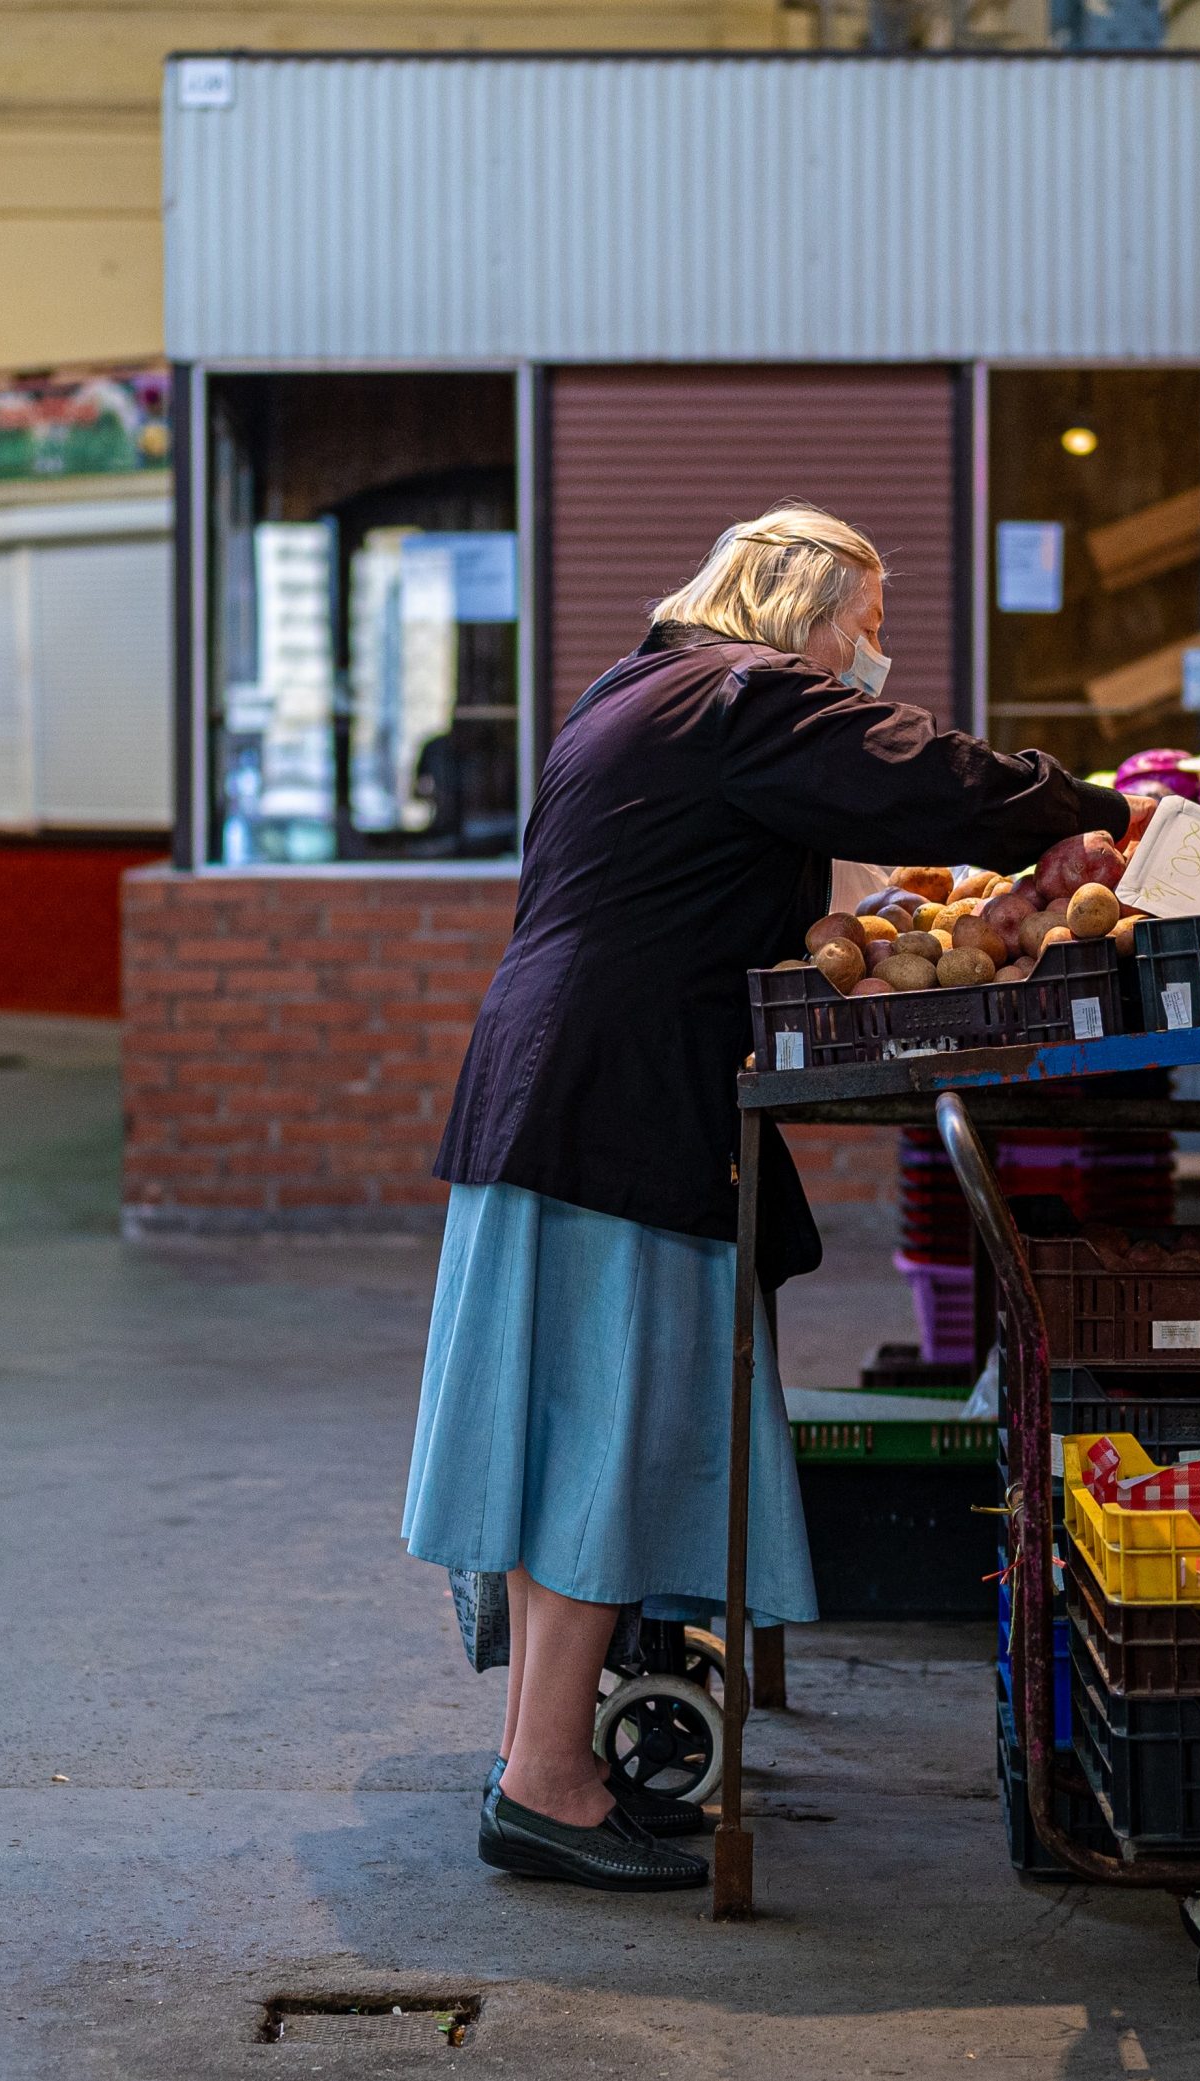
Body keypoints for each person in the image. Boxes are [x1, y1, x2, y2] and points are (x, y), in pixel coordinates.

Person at [402, 504, 1127, 1890]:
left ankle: (539, 1761)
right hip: (618, 1100)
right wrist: (1090, 809)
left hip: (556, 1084)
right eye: (862, 621)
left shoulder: (636, 694)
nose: (875, 652)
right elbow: (922, 778)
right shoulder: (743, 692)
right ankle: (549, 1783)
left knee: (576, 1436)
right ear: (796, 608)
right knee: (610, 1435)